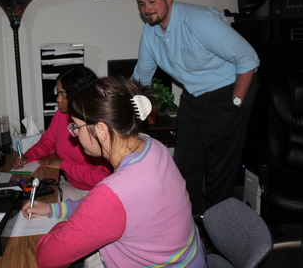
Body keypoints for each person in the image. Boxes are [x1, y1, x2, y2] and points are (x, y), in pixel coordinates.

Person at [23, 77, 206, 268]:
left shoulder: (114, 192)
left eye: (76, 126)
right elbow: (109, 210)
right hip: (191, 259)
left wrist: (68, 227)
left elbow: (48, 257)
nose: (74, 134)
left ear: (102, 130)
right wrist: (53, 210)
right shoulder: (152, 147)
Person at [131, 0, 260, 214]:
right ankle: (186, 226)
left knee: (219, 171)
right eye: (142, 3)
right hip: (194, 96)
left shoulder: (198, 20)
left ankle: (217, 235)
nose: (147, 9)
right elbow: (141, 78)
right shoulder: (150, 33)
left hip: (227, 92)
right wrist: (119, 108)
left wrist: (235, 103)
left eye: (152, 1)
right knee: (184, 166)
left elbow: (248, 59)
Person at [12, 66, 112, 200]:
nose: (58, 99)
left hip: (97, 192)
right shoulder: (61, 115)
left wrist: (63, 164)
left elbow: (101, 177)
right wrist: (27, 157)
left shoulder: (98, 127)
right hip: (73, 186)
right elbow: (48, 142)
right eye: (57, 93)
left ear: (79, 95)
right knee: (33, 202)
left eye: (63, 95)